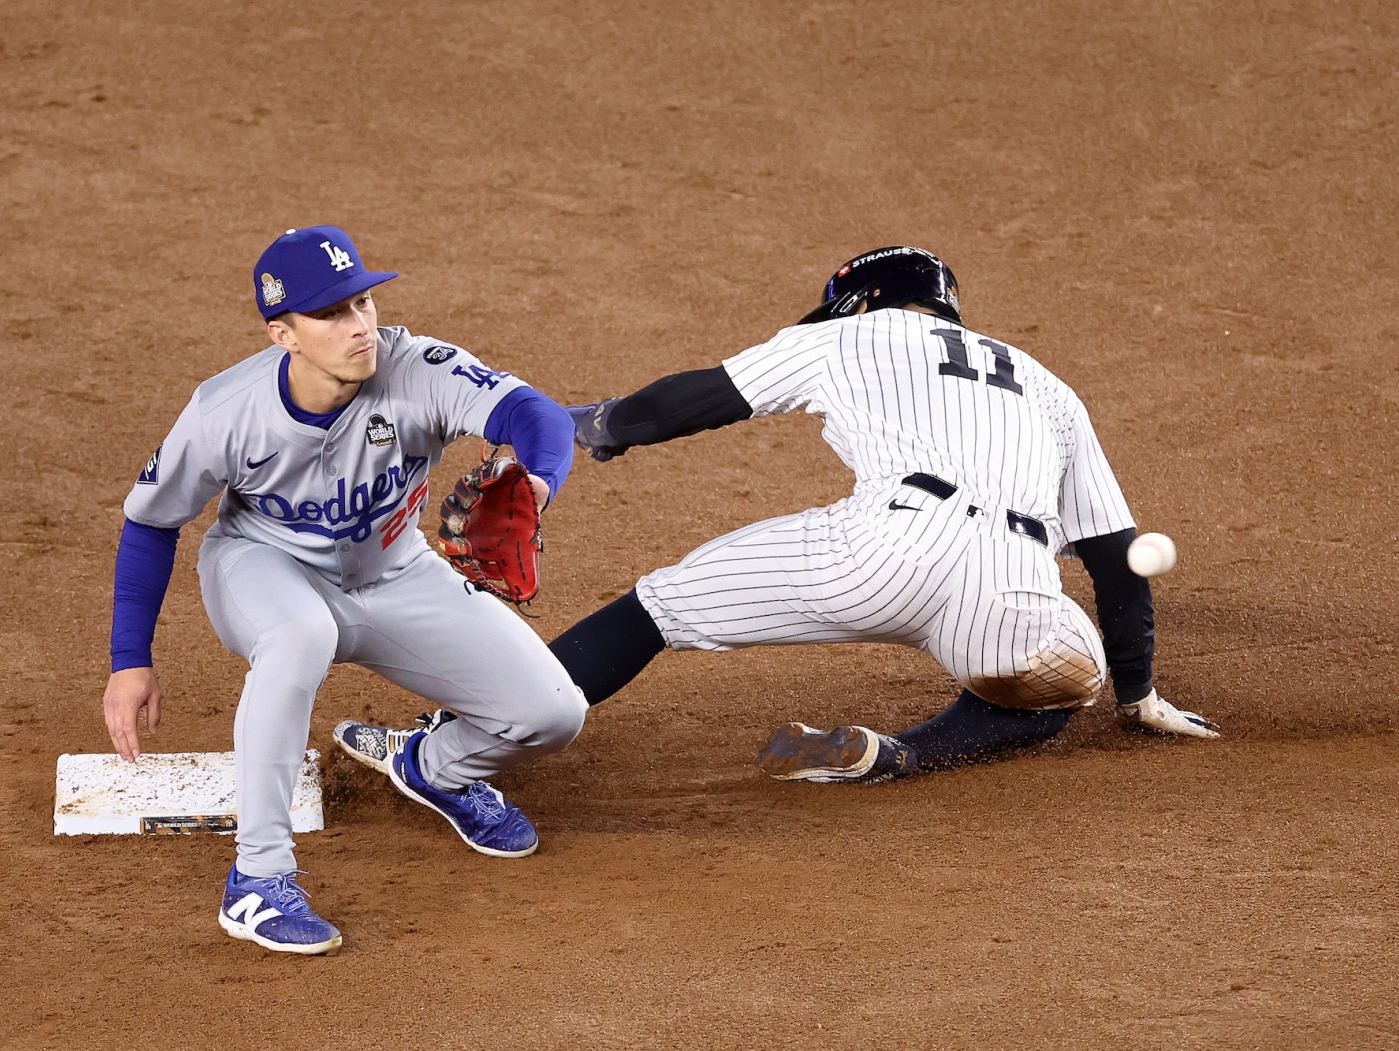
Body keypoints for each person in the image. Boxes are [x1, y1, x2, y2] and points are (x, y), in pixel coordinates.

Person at [545, 245, 1220, 784]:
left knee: (657, 609)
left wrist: (598, 426)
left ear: (862, 302)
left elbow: (700, 398)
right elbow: (1117, 556)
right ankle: (904, 754)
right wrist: (1138, 695)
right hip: (1014, 589)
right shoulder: (1050, 388)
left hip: (880, 553)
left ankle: (478, 719)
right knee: (1061, 675)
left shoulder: (852, 334)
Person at [102, 225, 586, 956]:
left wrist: (538, 482)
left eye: (363, 302)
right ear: (283, 333)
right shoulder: (224, 410)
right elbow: (151, 523)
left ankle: (433, 766)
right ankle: (258, 880)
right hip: (262, 570)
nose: (360, 326)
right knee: (301, 635)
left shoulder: (417, 365)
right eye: (332, 314)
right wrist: (128, 658)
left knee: (553, 713)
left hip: (396, 572)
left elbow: (537, 415)